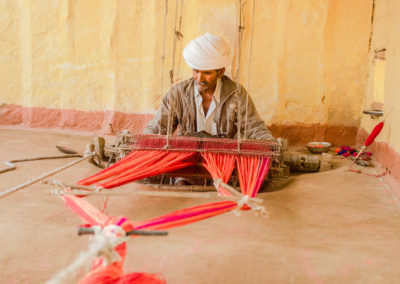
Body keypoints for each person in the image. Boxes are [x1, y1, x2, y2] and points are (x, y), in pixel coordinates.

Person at [144, 32, 274, 141]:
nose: (199, 78)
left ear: (220, 72)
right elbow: (157, 128)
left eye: (207, 73)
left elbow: (254, 127)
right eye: (196, 71)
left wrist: (270, 146)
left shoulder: (236, 94)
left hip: (224, 161)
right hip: (187, 160)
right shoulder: (177, 94)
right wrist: (141, 145)